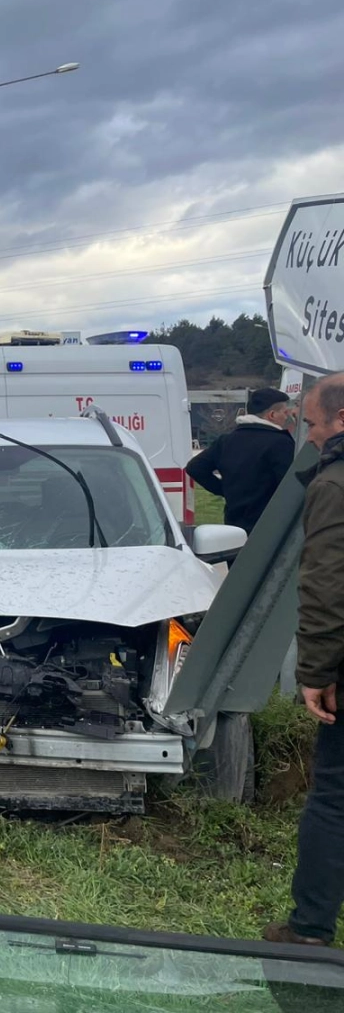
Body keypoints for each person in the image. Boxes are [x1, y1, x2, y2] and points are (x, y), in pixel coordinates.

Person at [267, 372, 344, 947]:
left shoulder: (334, 485)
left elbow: (326, 589)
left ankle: (310, 930)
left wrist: (315, 672)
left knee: (333, 799)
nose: (310, 437)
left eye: (313, 425)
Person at [186, 386, 295, 533]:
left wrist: (224, 490)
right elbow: (289, 486)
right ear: (272, 415)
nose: (287, 417)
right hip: (269, 525)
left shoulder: (226, 440)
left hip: (234, 525)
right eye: (285, 412)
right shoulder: (280, 443)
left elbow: (195, 467)